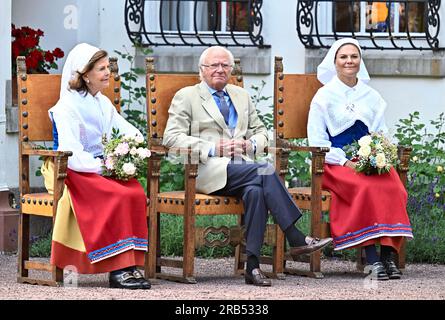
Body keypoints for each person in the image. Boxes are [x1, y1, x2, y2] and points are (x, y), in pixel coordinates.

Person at [163, 46, 332, 287]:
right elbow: (171, 138)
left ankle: (252, 267)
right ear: (202, 70)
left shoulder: (241, 95)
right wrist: (213, 148)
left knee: (256, 191)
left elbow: (263, 132)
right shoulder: (187, 96)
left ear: (231, 70)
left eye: (225, 66)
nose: (220, 70)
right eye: (214, 65)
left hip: (245, 168)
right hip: (208, 171)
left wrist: (251, 144)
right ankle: (295, 236)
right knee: (265, 171)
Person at [43, 43, 150, 289]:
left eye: (108, 67)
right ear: (85, 74)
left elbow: (129, 131)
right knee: (117, 194)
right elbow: (71, 153)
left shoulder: (102, 103)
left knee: (134, 191)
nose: (107, 73)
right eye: (101, 68)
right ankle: (117, 270)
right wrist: (104, 166)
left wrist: (133, 149)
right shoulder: (65, 107)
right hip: (71, 170)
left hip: (100, 167)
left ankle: (130, 266)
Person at [307, 38, 414, 280]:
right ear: (334, 62)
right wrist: (345, 161)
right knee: (365, 187)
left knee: (394, 186)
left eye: (354, 56)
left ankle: (388, 256)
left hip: (368, 159)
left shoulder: (371, 95)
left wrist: (378, 155)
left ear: (359, 61)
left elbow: (381, 133)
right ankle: (372, 259)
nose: (349, 61)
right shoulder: (323, 97)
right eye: (343, 57)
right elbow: (316, 139)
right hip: (335, 163)